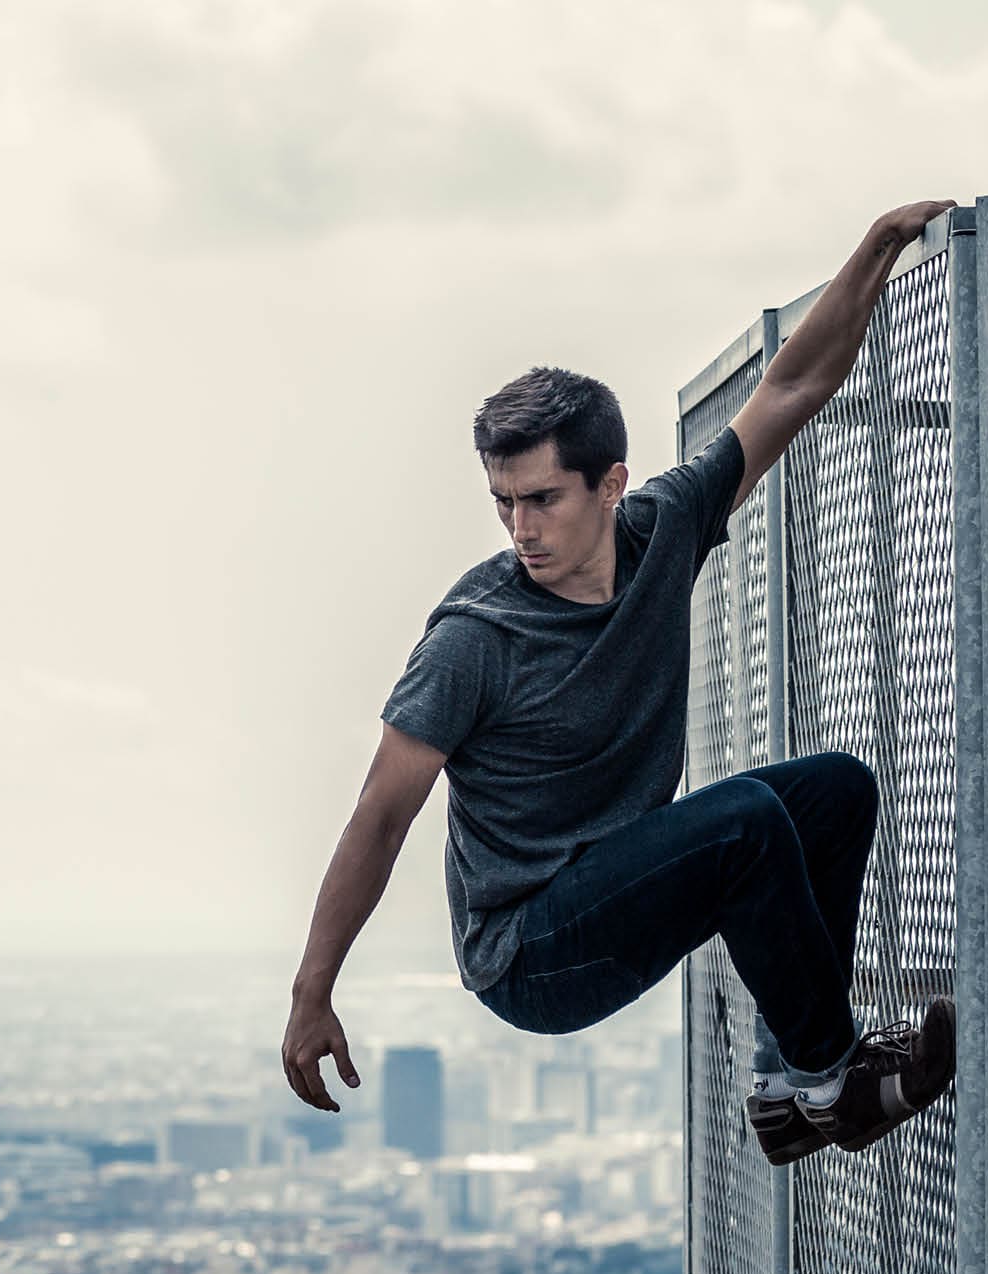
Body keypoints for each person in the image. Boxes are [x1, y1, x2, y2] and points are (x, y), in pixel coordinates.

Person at [283, 198, 960, 1163]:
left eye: (543, 499)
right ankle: (833, 1079)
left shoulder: (665, 528)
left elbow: (793, 388)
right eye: (503, 503)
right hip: (530, 955)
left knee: (834, 791)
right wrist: (313, 994)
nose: (521, 530)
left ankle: (785, 1090)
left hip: (619, 877)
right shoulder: (475, 638)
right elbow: (380, 814)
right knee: (745, 828)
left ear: (610, 484)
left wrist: (874, 254)